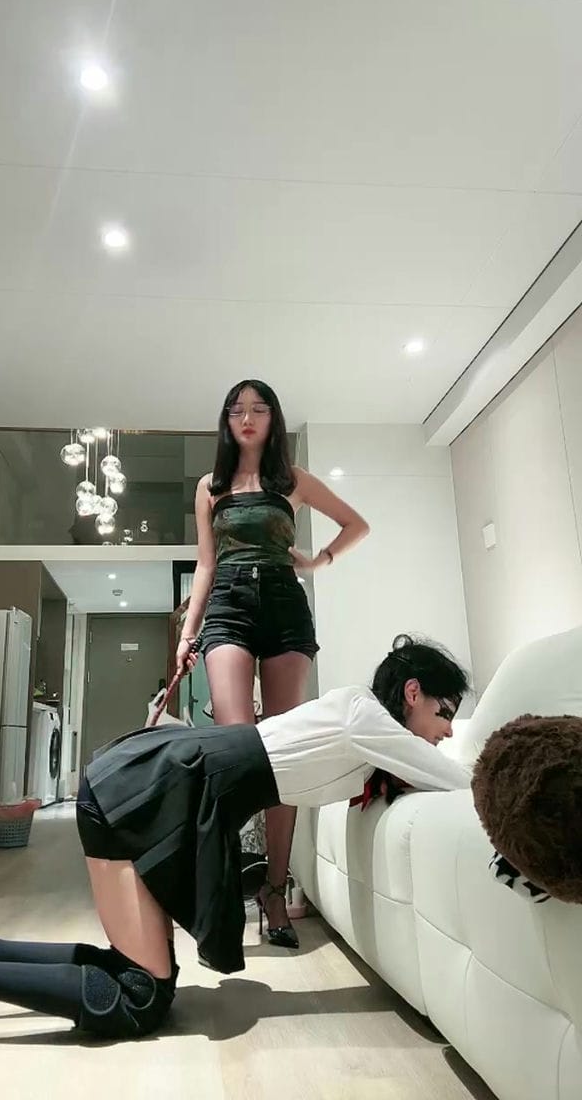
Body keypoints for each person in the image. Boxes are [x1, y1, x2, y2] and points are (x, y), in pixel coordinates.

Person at [0, 635, 472, 1042]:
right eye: (444, 713)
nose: (447, 729)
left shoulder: (361, 724)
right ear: (412, 692)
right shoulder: (365, 716)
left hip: (168, 784)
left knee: (137, 978)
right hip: (153, 789)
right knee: (140, 998)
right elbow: (457, 780)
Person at [177, 378, 369, 947]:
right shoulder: (210, 486)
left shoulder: (294, 480)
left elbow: (357, 524)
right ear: (226, 421)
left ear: (273, 419)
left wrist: (318, 561)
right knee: (237, 751)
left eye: (258, 409)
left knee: (283, 753)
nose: (247, 418)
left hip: (285, 606)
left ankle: (275, 891)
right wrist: (188, 632)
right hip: (228, 605)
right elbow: (206, 564)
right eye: (237, 410)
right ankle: (223, 892)